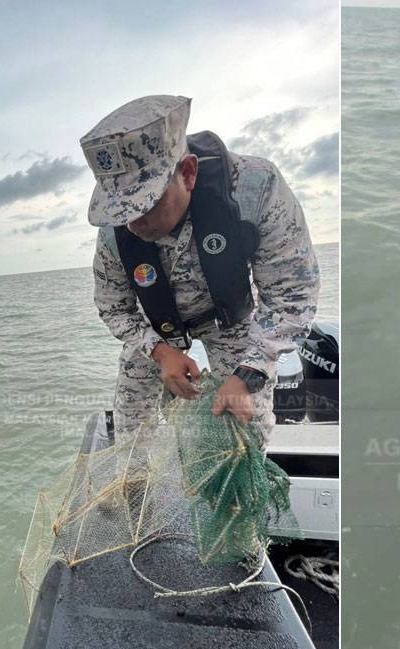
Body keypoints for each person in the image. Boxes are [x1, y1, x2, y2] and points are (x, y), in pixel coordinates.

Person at [80, 95, 319, 441]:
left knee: (245, 426)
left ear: (188, 172)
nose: (133, 223)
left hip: (230, 322)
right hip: (156, 330)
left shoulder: (254, 189)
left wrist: (249, 372)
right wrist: (160, 352)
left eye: (146, 205)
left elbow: (292, 295)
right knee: (131, 424)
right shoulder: (114, 231)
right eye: (122, 212)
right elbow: (113, 307)